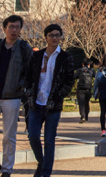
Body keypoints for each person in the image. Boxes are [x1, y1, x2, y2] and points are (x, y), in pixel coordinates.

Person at [0, 14, 33, 177]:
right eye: (11, 26)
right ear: (4, 28)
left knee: (9, 136)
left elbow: (30, 72)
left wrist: (21, 85)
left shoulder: (25, 48)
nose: (14, 30)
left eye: (17, 27)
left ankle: (7, 169)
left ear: (20, 29)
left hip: (13, 98)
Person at [24, 24, 75, 177]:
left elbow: (69, 81)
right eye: (51, 35)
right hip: (36, 103)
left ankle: (46, 173)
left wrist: (59, 96)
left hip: (53, 105)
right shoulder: (37, 56)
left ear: (60, 37)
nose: (54, 38)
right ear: (46, 37)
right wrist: (28, 93)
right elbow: (28, 76)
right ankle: (41, 161)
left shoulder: (66, 57)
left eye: (57, 35)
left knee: (49, 141)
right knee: (32, 136)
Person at [74, 59, 96, 124]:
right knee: (86, 103)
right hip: (88, 89)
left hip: (80, 89)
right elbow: (97, 77)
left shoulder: (79, 70)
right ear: (89, 64)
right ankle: (86, 117)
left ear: (83, 64)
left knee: (81, 103)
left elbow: (73, 77)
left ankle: (82, 116)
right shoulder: (92, 71)